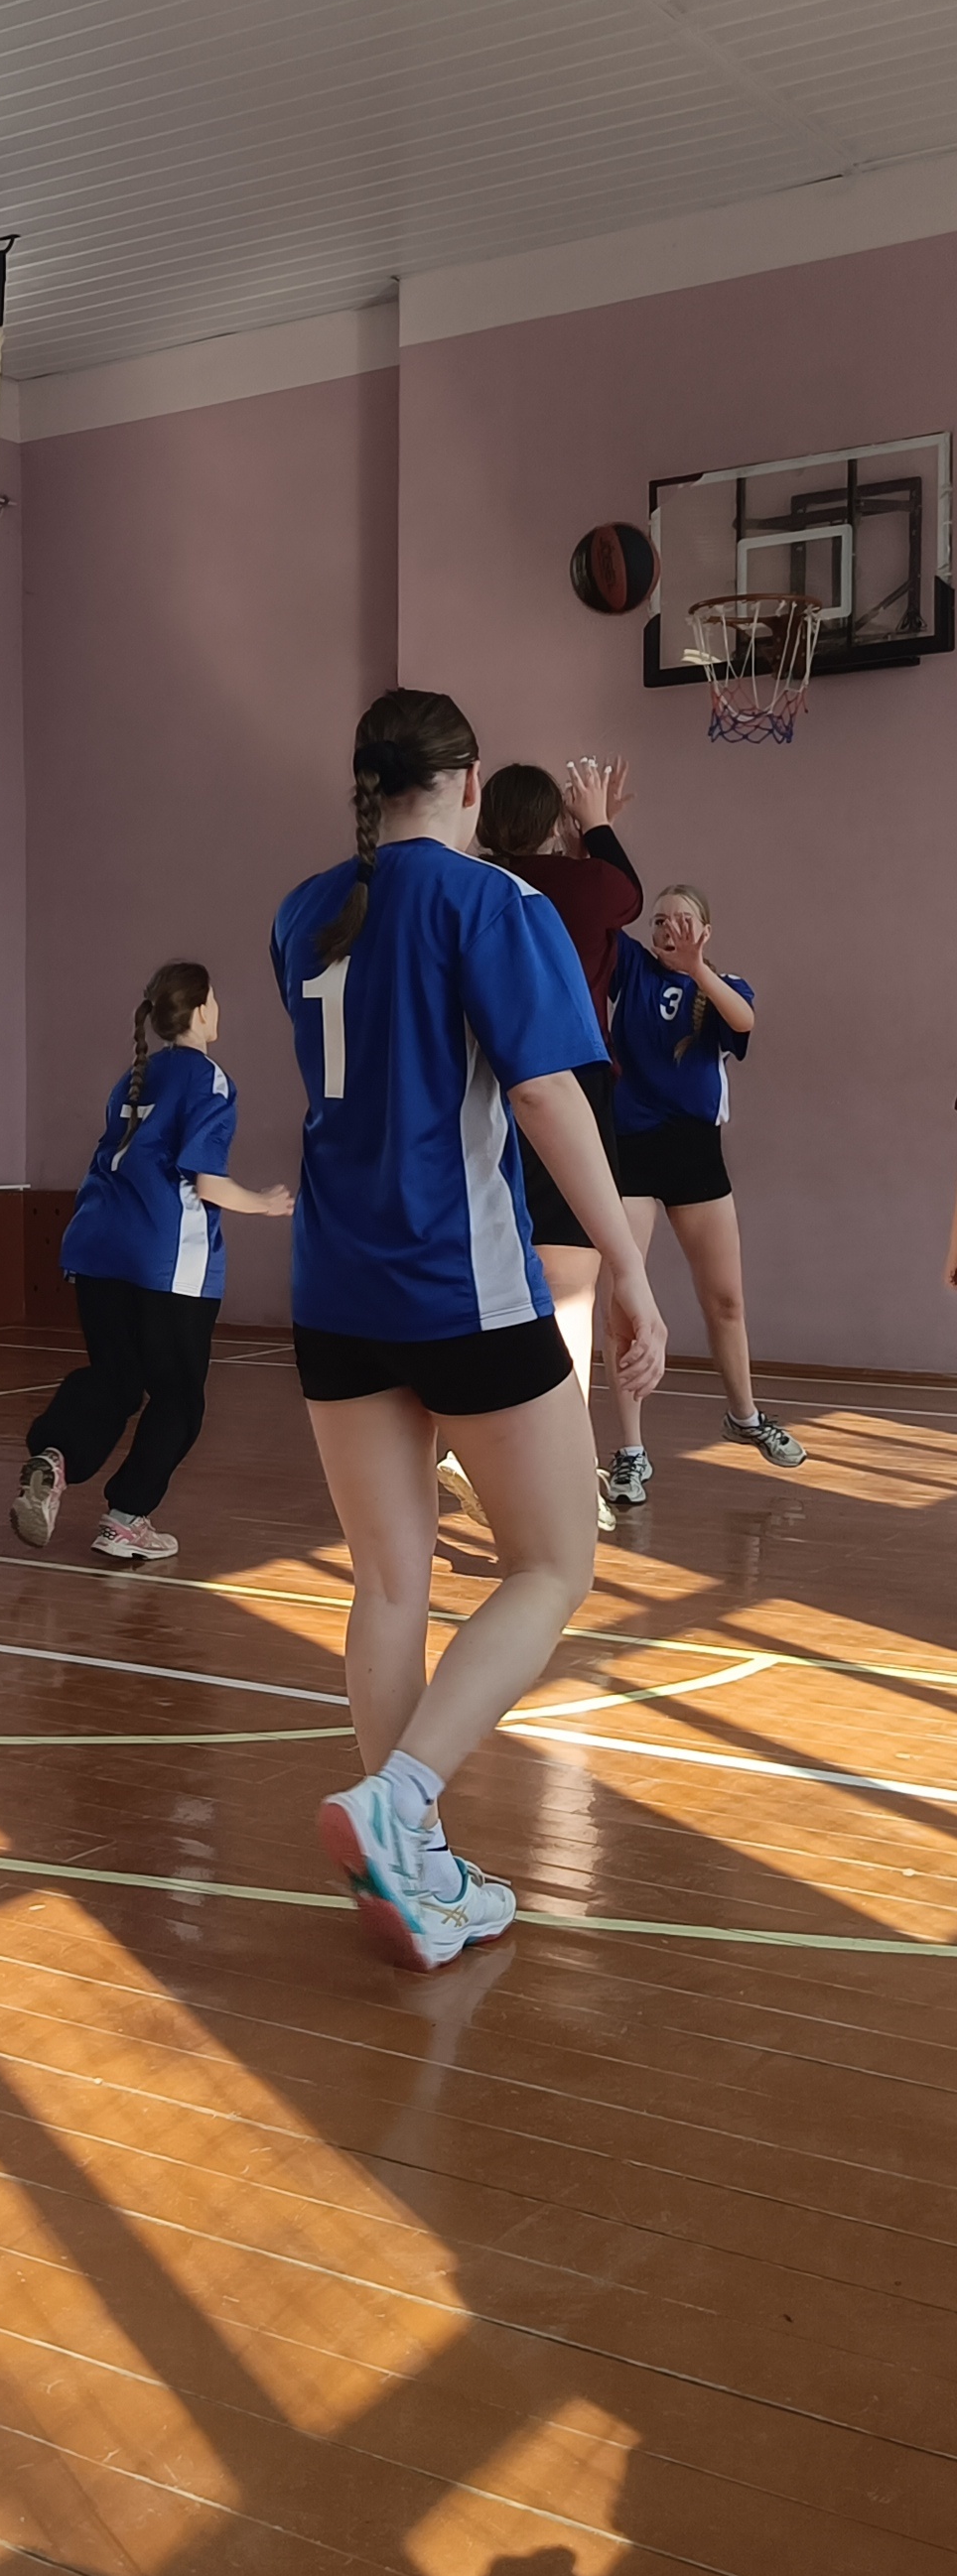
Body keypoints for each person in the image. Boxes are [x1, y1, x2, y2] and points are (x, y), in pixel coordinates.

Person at [273, 688, 665, 1973]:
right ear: (472, 781)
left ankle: (417, 1867)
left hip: (332, 1291)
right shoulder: (497, 904)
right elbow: (546, 1097)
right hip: (460, 1284)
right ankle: (401, 1804)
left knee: (391, 1580)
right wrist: (627, 1266)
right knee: (554, 1564)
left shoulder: (303, 911)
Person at [11, 962, 294, 1565]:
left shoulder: (133, 1077)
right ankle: (125, 1520)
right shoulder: (209, 1079)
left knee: (116, 1378)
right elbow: (207, 1182)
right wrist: (264, 1202)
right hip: (165, 1260)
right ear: (200, 1010)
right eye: (215, 1000)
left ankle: (55, 1456)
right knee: (179, 1398)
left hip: (95, 1246)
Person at [474, 755, 643, 1530]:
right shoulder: (579, 885)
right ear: (554, 824)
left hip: (482, 1087)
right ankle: (567, 1479)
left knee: (505, 1276)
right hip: (565, 1081)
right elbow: (625, 891)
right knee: (571, 1281)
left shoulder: (476, 884)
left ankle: (482, 1442)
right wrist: (596, 825)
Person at [604, 885, 804, 1499]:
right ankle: (631, 1451)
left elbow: (744, 1022)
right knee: (625, 1306)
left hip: (694, 1155)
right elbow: (602, 907)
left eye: (683, 920)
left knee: (726, 1300)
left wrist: (697, 969)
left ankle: (744, 1416)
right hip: (632, 1152)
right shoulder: (632, 968)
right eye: (660, 920)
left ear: (706, 930)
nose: (669, 930)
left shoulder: (722, 987)